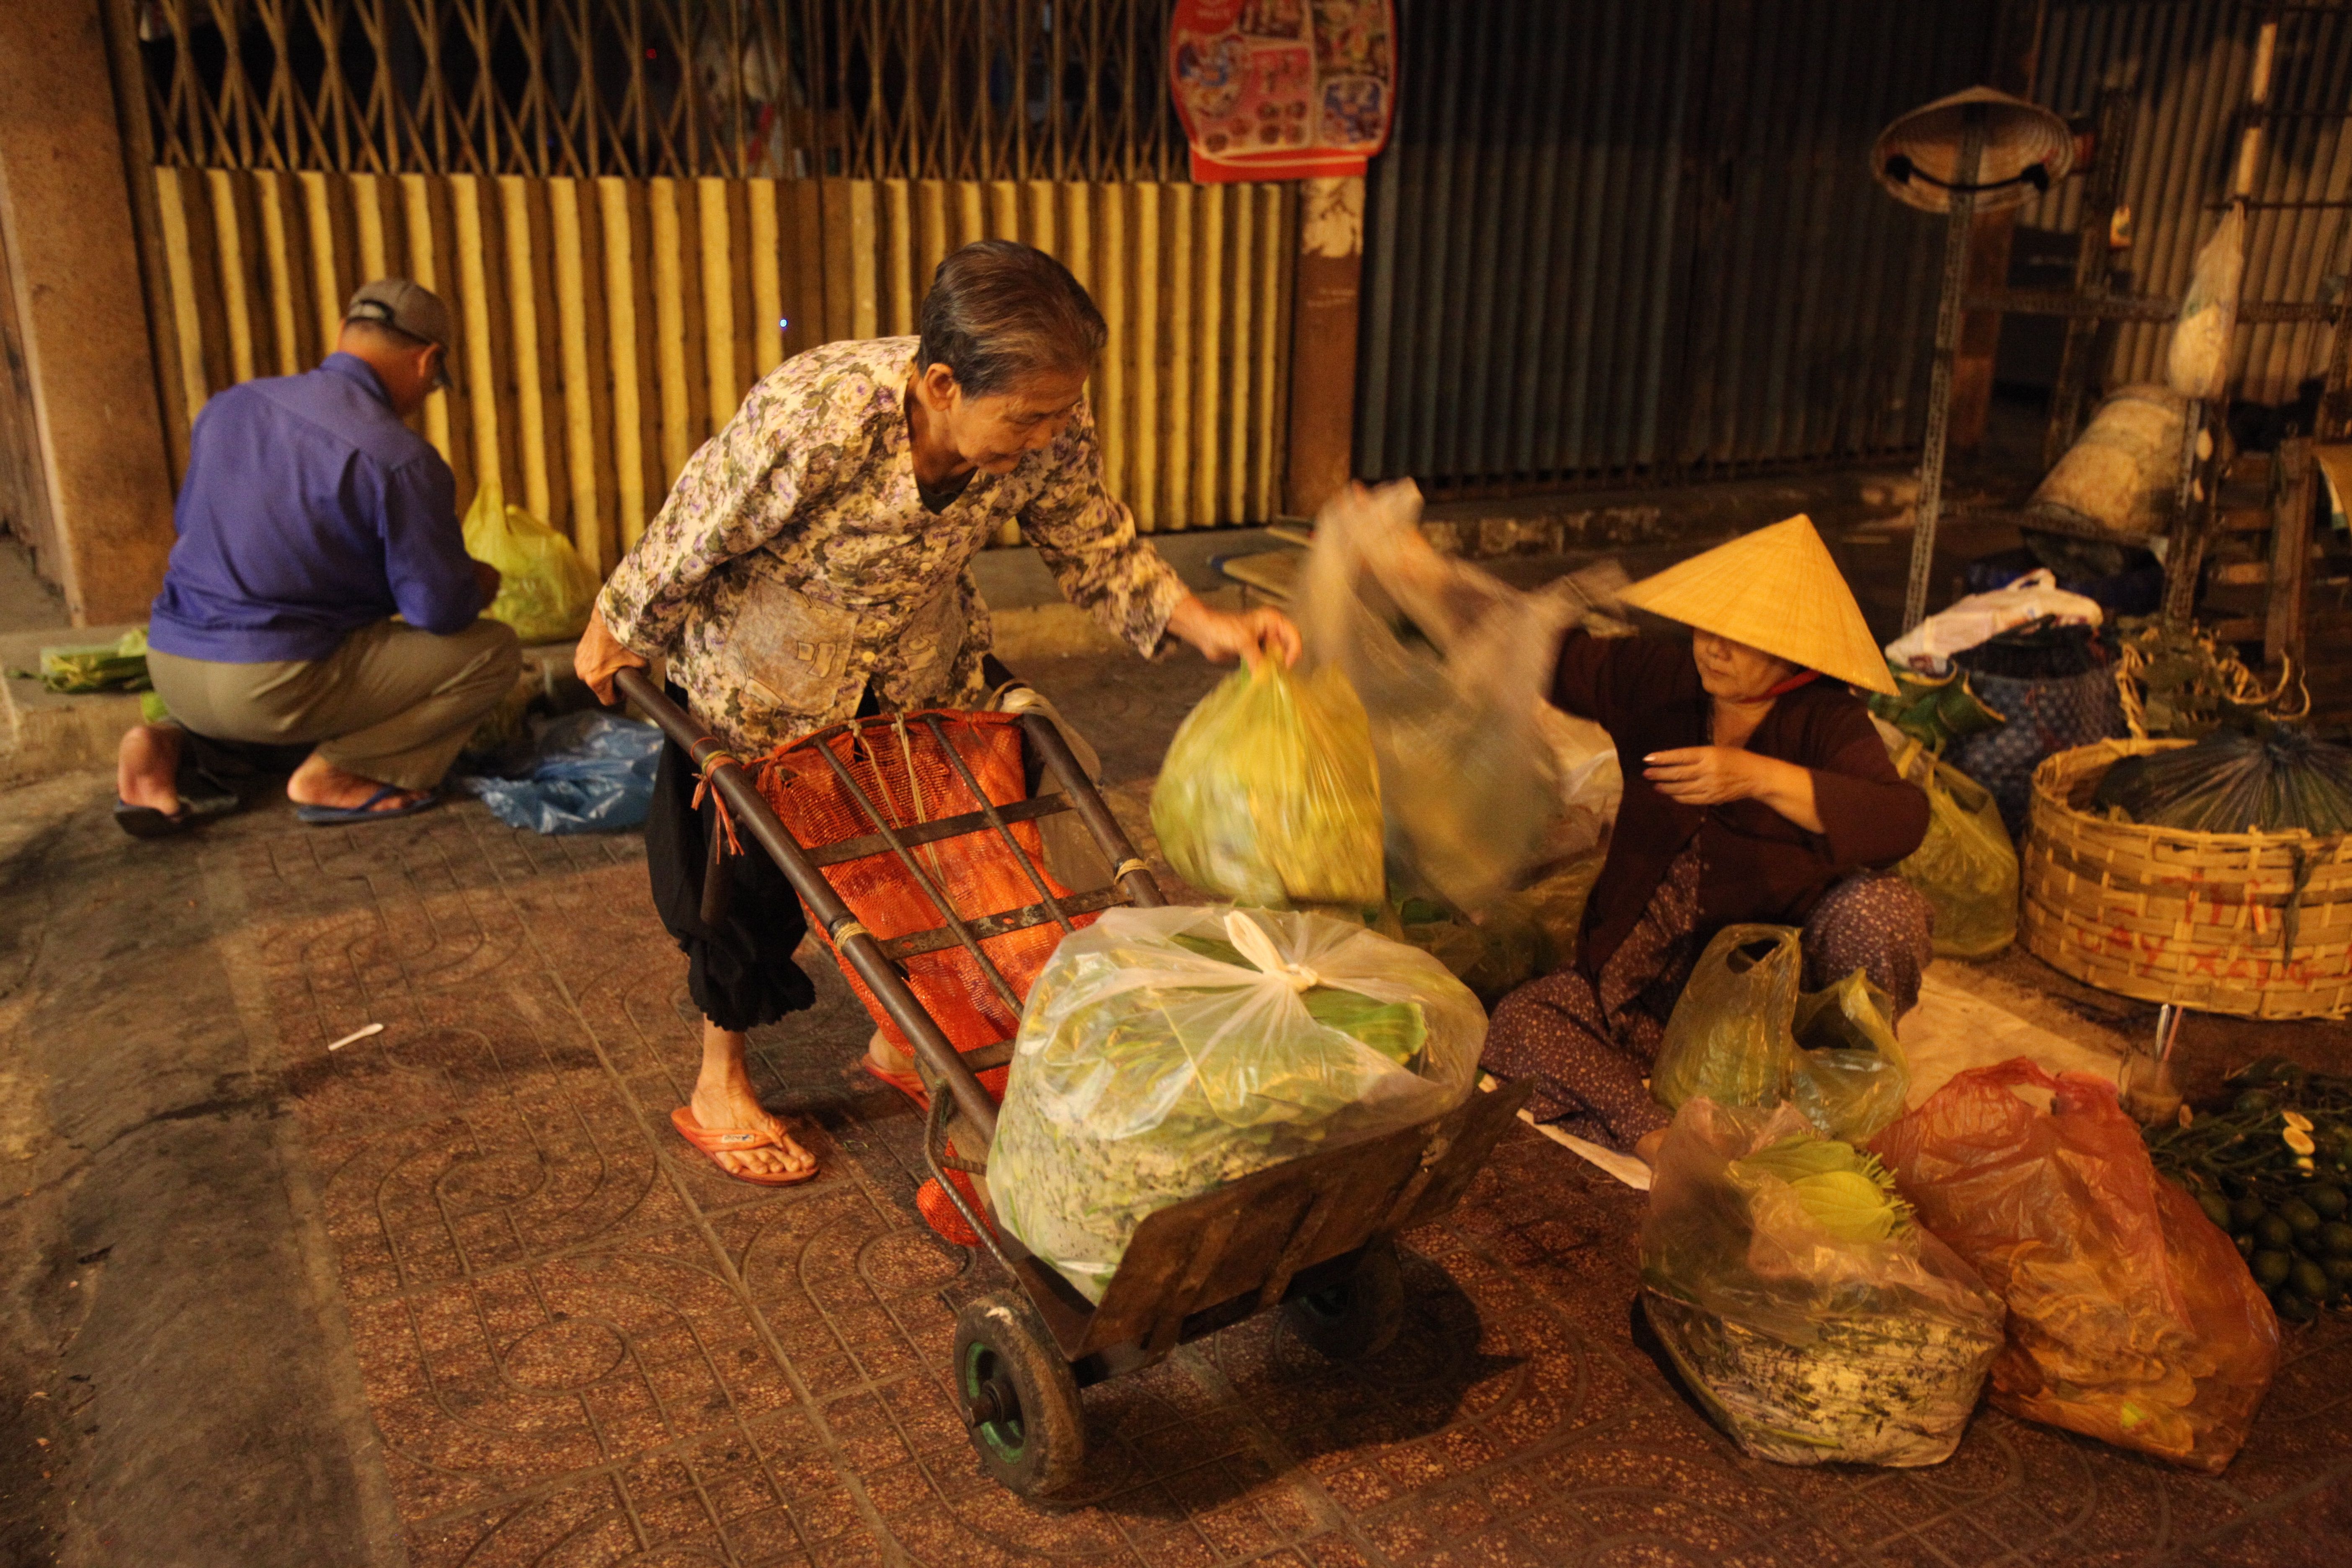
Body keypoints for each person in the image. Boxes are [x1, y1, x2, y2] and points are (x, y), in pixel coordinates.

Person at [575, 239, 1300, 1186]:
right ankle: (722, 1082)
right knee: (746, 885)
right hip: (768, 679)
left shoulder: (1051, 424)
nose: (1046, 435)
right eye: (1028, 416)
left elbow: (1091, 537)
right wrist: (618, 623)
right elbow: (698, 523)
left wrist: (1204, 625)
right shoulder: (819, 415)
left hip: (919, 665)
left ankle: (907, 1040)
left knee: (943, 856)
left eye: (1059, 413)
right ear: (943, 382)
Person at [1480, 514, 1933, 1158]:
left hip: (1761, 1023)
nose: (1712, 649)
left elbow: (1901, 820)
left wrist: (1758, 777)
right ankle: (1660, 1139)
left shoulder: (1827, 721)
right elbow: (1550, 652)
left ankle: (1841, 1089)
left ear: (1793, 652)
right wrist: (1423, 579)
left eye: (1741, 639)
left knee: (1884, 911)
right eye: (1706, 628)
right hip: (1641, 1001)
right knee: (1522, 1022)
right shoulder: (1661, 680)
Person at [116, 279, 520, 836]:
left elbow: (193, 527)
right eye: (432, 383)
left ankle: (166, 746)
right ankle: (340, 773)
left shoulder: (230, 406)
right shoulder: (399, 459)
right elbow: (439, 612)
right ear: (428, 362)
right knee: (493, 652)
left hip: (170, 667)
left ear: (341, 337)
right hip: (269, 688)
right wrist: (478, 581)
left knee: (311, 667)